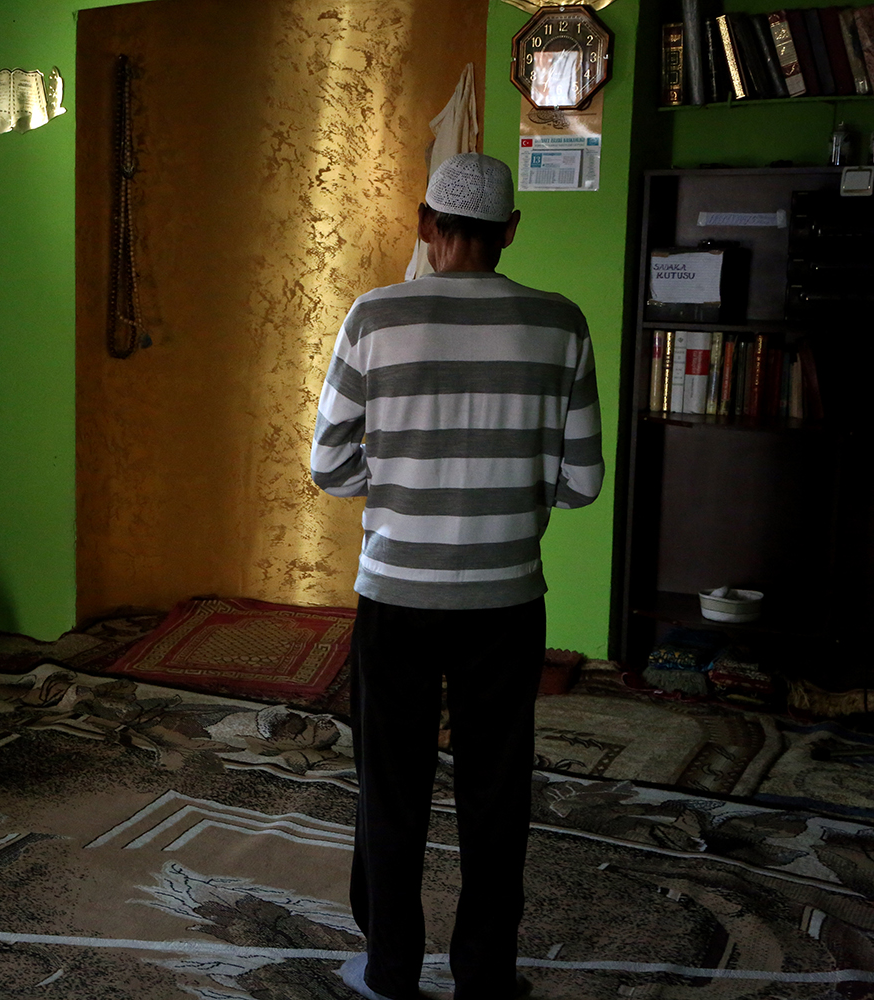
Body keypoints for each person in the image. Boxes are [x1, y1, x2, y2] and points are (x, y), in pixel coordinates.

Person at [309, 152, 604, 1000]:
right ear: (511, 232)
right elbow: (581, 484)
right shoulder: (562, 322)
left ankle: (391, 969)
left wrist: (405, 484)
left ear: (425, 225)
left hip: (396, 593)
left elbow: (329, 469)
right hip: (506, 596)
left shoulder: (374, 317)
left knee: (390, 784)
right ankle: (485, 974)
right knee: (497, 787)